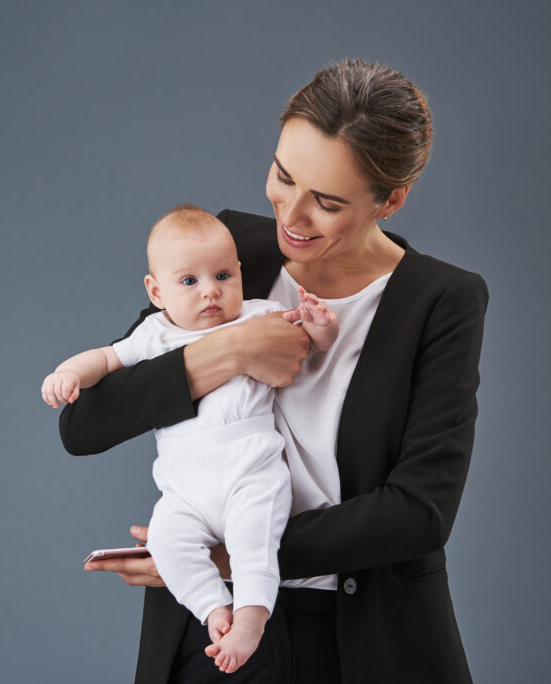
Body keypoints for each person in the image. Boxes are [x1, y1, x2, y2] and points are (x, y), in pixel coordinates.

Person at [61, 58, 488, 684]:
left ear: (391, 200)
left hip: (360, 638)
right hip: (209, 632)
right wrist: (228, 351)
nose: (292, 215)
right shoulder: (227, 254)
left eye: (328, 202)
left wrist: (234, 555)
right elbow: (86, 423)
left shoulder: (441, 300)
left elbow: (420, 511)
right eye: (283, 177)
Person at [42, 206, 338, 675]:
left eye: (223, 275)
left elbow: (313, 340)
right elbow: (106, 358)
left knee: (252, 542)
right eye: (189, 282)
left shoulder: (258, 314)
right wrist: (68, 373)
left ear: (240, 273)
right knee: (165, 539)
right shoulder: (154, 334)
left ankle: (250, 619)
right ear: (156, 291)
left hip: (251, 473)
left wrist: (320, 322)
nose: (210, 291)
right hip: (186, 491)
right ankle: (212, 609)